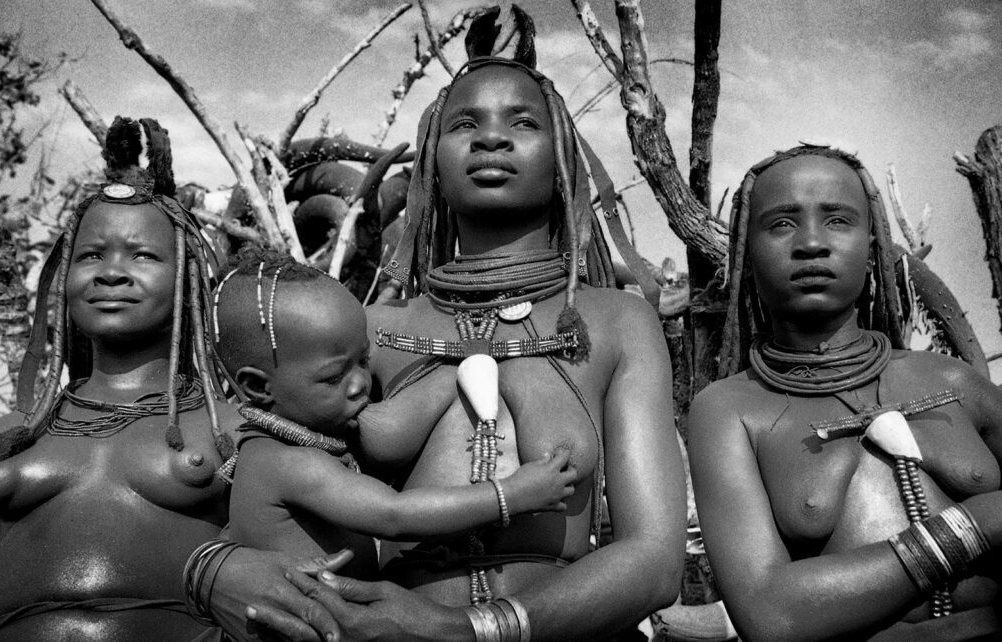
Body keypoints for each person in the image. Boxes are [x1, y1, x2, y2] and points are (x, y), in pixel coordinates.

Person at [190, 7, 686, 641]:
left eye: (523, 122)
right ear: (432, 156)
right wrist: (213, 571)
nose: (491, 139)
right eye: (464, 124)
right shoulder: (366, 329)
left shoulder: (618, 322)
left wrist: (464, 629)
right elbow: (238, 466)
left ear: (563, 153)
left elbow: (654, 562)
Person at [687, 145, 1002, 641]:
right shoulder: (728, 412)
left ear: (873, 247)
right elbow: (770, 613)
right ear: (745, 259)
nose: (811, 243)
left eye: (837, 220)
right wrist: (975, 525)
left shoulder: (954, 381)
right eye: (782, 224)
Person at [0, 116, 240, 641]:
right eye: (91, 255)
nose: (111, 272)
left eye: (142, 255)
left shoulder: (232, 430)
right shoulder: (3, 439)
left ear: (188, 274)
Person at [213, 249, 577, 580]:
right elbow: (394, 515)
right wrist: (510, 496)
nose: (359, 383)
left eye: (364, 361)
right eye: (334, 377)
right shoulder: (287, 462)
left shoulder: (285, 444)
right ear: (258, 388)